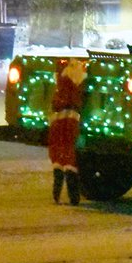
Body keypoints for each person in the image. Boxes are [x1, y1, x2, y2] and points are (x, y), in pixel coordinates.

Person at [48, 57, 87, 205]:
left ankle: (57, 192)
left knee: (58, 156)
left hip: (58, 123)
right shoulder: (74, 84)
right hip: (70, 121)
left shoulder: (61, 84)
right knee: (70, 159)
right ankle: (73, 197)